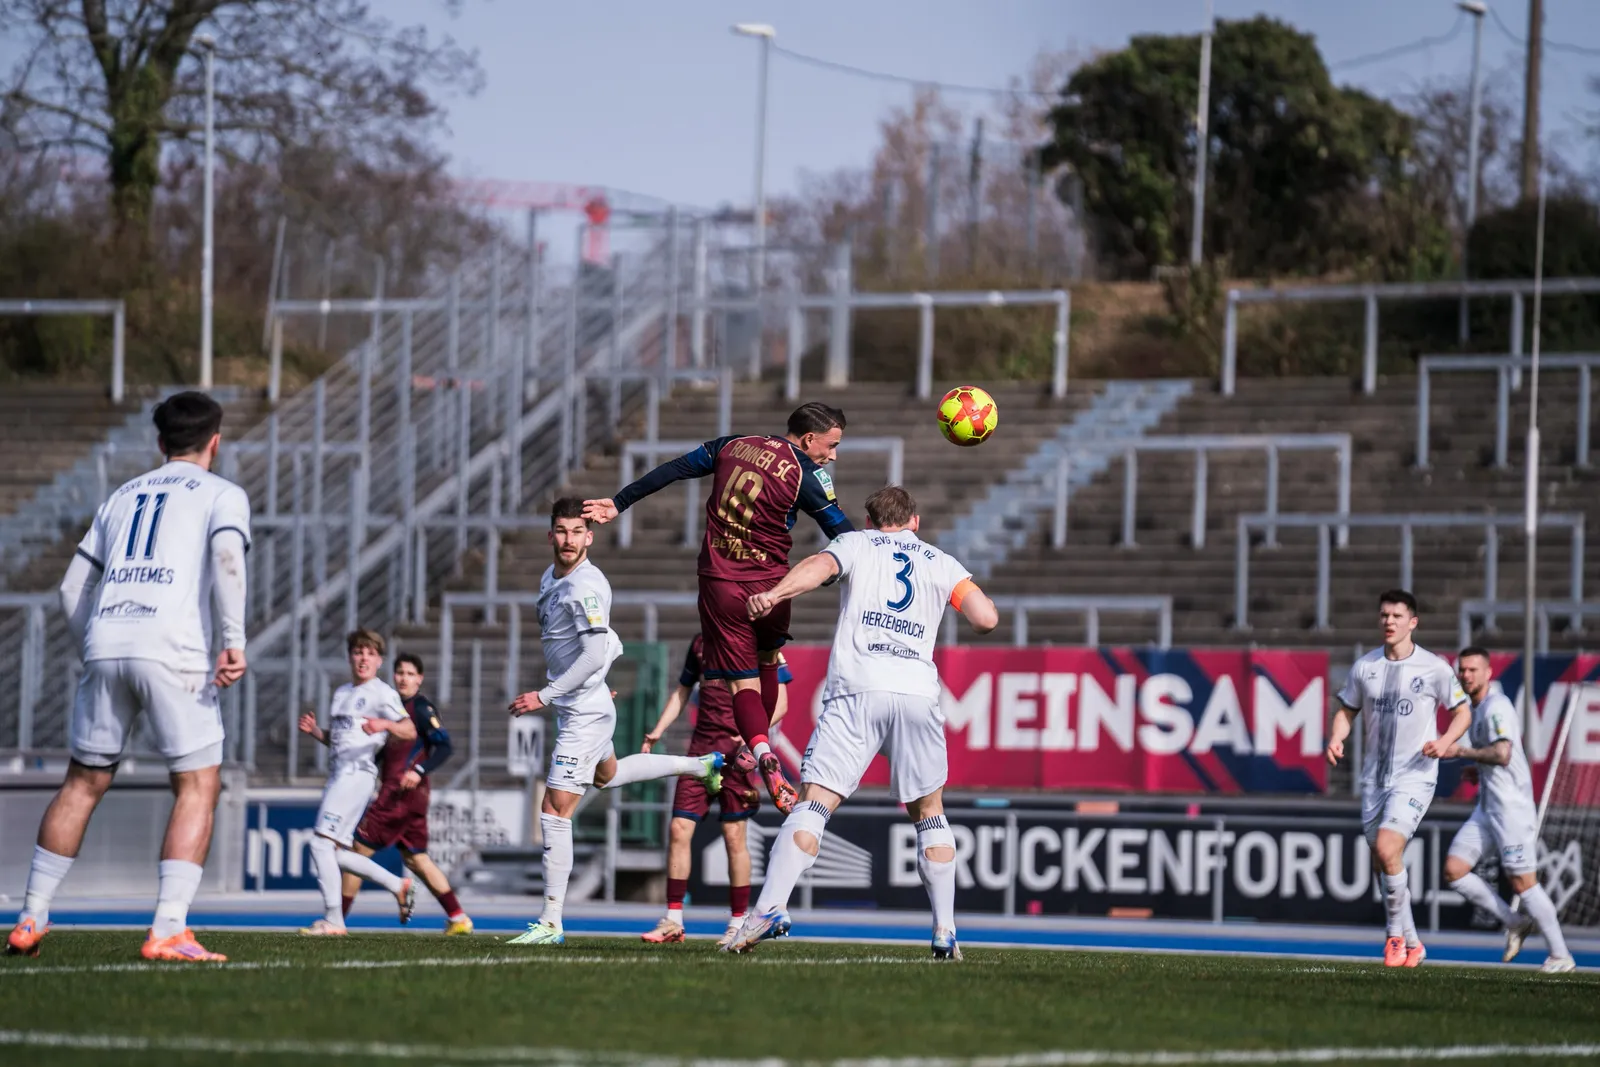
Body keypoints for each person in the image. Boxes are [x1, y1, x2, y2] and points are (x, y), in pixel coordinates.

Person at [7, 392, 249, 963]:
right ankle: (168, 928)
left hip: (107, 641)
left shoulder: (122, 495)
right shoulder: (222, 494)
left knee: (82, 784)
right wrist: (233, 640)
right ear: (215, 442)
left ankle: (30, 916)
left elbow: (72, 587)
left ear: (160, 443)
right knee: (198, 785)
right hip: (174, 649)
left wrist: (96, 644)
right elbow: (227, 560)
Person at [724, 486, 999, 959]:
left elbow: (819, 567)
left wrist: (774, 594)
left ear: (870, 522)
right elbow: (985, 619)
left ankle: (769, 908)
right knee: (930, 812)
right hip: (916, 694)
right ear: (915, 522)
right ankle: (945, 930)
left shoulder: (856, 543)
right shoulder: (942, 562)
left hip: (858, 688)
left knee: (815, 803)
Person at [582, 403, 854, 814]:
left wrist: (620, 502)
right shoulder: (807, 474)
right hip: (772, 588)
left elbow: (674, 469)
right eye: (831, 446)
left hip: (721, 585)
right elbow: (845, 536)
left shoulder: (732, 445)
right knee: (767, 661)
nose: (832, 456)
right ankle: (755, 745)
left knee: (741, 687)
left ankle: (761, 752)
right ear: (809, 438)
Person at [505, 499, 726, 947]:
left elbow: (592, 652)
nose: (568, 539)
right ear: (551, 535)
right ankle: (700, 766)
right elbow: (603, 647)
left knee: (554, 811)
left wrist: (544, 696)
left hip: (582, 715)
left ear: (590, 537)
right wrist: (594, 683)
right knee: (607, 776)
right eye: (561, 531)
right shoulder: (552, 577)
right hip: (584, 704)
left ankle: (550, 922)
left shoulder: (586, 585)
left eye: (577, 532)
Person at [1326, 590, 1471, 968]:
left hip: (1415, 777)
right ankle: (1414, 944)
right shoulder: (1365, 667)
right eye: (1384, 615)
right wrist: (1337, 737)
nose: (1389, 621)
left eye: (1397, 616)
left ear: (1413, 623)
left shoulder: (1434, 667)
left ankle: (1393, 937)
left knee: (1388, 848)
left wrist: (1444, 742)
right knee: (1383, 861)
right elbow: (1347, 711)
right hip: (1374, 780)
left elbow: (1462, 712)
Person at [639, 636, 793, 947]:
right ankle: (673, 920)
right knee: (678, 828)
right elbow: (682, 691)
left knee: (734, 836)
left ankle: (737, 923)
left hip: (737, 757)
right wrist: (658, 730)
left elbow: (782, 702)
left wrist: (753, 734)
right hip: (700, 753)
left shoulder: (757, 641)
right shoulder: (699, 643)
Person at [1441, 648, 1574, 973]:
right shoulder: (1476, 708)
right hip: (1489, 808)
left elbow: (1502, 754)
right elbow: (1495, 759)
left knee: (1523, 883)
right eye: (1462, 670)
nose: (1466, 675)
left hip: (1511, 810)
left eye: (1473, 669)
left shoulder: (1496, 706)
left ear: (1488, 673)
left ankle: (1561, 955)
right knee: (1455, 870)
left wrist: (1461, 751)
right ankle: (1515, 922)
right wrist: (1477, 770)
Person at [340, 652, 473, 935]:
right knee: (416, 859)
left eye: (410, 674)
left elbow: (445, 746)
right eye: (400, 673)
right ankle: (459, 917)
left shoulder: (421, 709)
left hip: (402, 793)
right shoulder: (391, 707)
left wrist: (419, 771)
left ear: (419, 679)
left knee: (357, 852)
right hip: (406, 794)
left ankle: (335, 919)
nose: (404, 678)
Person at [296, 629, 419, 936]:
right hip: (339, 774)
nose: (363, 658)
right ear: (350, 657)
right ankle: (398, 885)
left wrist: (385, 723)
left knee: (319, 844)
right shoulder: (341, 693)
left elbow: (409, 730)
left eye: (370, 653)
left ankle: (334, 920)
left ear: (379, 661)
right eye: (358, 652)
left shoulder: (381, 693)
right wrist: (317, 732)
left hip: (357, 774)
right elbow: (341, 740)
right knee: (336, 852)